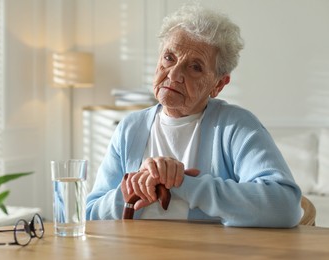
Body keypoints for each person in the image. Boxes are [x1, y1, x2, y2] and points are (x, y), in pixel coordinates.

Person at [86, 3, 302, 227]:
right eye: (169, 58)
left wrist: (182, 183)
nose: (175, 74)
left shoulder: (236, 126)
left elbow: (285, 206)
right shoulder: (131, 127)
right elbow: (89, 214)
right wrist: (135, 188)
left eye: (195, 67)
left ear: (218, 84)